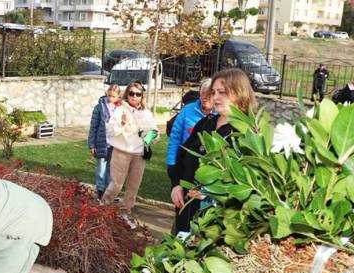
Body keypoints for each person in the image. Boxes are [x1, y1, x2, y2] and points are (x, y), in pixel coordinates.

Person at [170, 68, 257, 234]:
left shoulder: (245, 134)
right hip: (185, 211)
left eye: (222, 92)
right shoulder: (206, 123)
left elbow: (245, 187)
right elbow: (182, 155)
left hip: (214, 225)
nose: (215, 97)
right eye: (214, 92)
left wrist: (211, 197)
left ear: (240, 93)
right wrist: (176, 185)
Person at [101, 82, 159, 228]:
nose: (134, 96)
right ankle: (102, 208)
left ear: (142, 96)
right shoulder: (120, 110)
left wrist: (147, 136)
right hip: (121, 152)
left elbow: (156, 135)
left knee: (133, 187)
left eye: (138, 94)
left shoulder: (146, 113)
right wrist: (121, 124)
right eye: (131, 93)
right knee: (116, 185)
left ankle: (126, 212)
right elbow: (110, 131)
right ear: (127, 94)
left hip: (138, 155)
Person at [166, 79, 213, 233]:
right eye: (203, 93)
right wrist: (173, 171)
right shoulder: (188, 110)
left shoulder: (218, 118)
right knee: (181, 211)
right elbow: (174, 140)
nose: (205, 97)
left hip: (204, 178)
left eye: (209, 94)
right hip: (184, 171)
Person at [88, 84, 121, 201]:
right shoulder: (99, 107)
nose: (110, 98)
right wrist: (92, 144)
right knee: (101, 169)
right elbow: (93, 126)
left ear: (118, 97)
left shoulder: (120, 108)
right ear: (106, 93)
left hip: (115, 145)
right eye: (109, 95)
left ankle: (108, 191)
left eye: (113, 96)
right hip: (102, 143)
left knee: (111, 170)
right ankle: (100, 190)